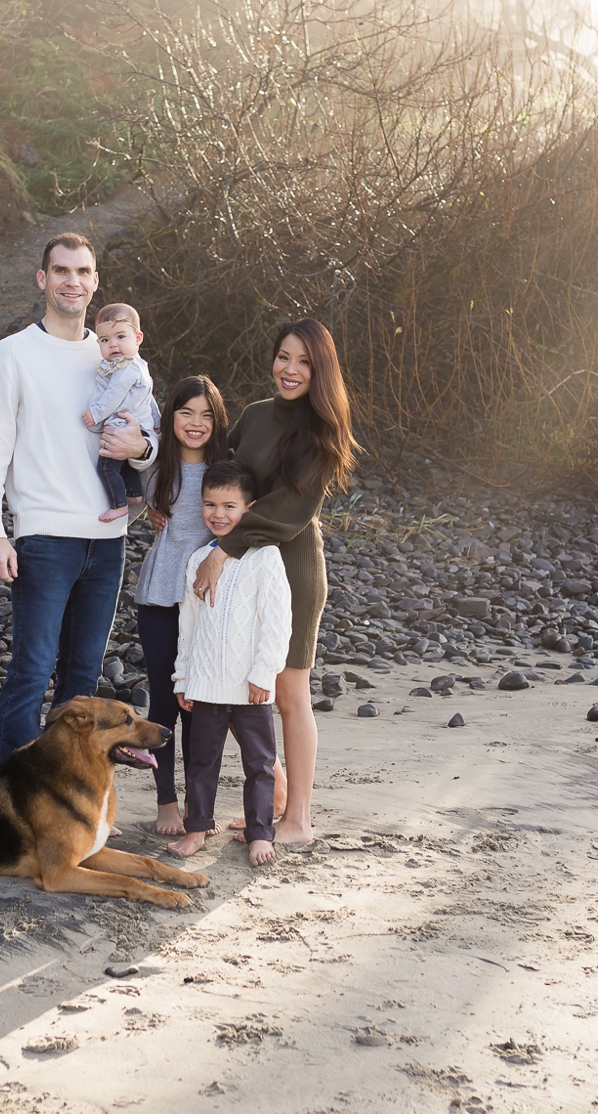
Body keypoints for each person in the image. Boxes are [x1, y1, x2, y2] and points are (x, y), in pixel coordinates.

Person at [0, 232, 155, 762]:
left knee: (83, 679)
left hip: (109, 541)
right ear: (43, 279)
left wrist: (143, 450)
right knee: (31, 671)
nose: (71, 281)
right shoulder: (13, 354)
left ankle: (72, 792)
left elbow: (150, 437)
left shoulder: (117, 354)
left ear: (95, 282)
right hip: (45, 539)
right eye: (61, 271)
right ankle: (13, 794)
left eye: (81, 272)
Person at [191, 318, 357, 846]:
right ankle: (277, 796)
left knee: (288, 694)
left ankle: (298, 820)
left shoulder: (321, 431)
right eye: (284, 356)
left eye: (304, 361)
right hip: (241, 568)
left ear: (320, 370)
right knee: (233, 683)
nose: (290, 369)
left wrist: (223, 549)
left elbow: (288, 509)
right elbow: (219, 476)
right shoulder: (256, 415)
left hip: (291, 569)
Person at [166, 461, 287, 868]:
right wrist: (183, 677)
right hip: (205, 684)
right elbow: (188, 625)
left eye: (229, 506)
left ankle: (260, 833)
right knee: (201, 762)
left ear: (249, 509)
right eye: (210, 504)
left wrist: (264, 673)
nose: (218, 514)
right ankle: (197, 828)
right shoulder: (199, 560)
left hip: (251, 686)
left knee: (260, 764)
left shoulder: (266, 557)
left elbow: (277, 622)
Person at [129, 375, 229, 835]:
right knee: (165, 699)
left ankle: (197, 801)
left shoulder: (225, 469)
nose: (196, 422)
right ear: (170, 417)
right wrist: (143, 511)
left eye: (206, 415)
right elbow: (122, 482)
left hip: (207, 596)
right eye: (186, 412)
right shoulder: (154, 463)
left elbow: (247, 515)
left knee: (201, 703)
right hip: (161, 593)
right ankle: (166, 799)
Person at [80, 302, 158, 523]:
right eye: (105, 340)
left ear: (138, 338)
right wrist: (157, 421)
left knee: (107, 468)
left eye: (120, 337)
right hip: (137, 427)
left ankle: (119, 505)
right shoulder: (140, 366)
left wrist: (96, 414)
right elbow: (149, 398)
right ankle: (134, 494)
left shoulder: (126, 368)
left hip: (122, 427)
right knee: (124, 462)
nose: (113, 344)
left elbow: (113, 395)